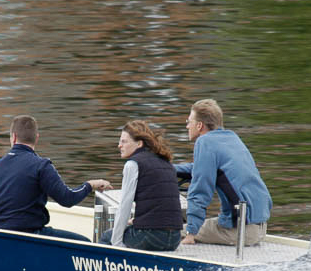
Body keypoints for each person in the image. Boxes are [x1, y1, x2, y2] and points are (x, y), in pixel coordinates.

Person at [0, 115, 112, 241]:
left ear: (13, 137)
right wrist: (90, 185)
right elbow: (67, 199)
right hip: (29, 236)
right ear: (36, 138)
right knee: (85, 244)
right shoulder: (41, 166)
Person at [174, 99, 272, 246]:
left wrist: (190, 234)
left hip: (239, 232)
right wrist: (170, 168)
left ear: (199, 125)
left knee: (172, 228)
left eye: (189, 121)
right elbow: (200, 168)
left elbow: (200, 191)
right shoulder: (232, 138)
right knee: (203, 222)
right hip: (259, 227)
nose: (187, 126)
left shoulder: (204, 142)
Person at [99, 121, 184, 251]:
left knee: (107, 237)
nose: (119, 145)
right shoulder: (166, 162)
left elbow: (125, 206)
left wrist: (116, 243)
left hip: (151, 237)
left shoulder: (133, 164)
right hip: (175, 238)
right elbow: (159, 201)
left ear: (139, 144)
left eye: (124, 141)